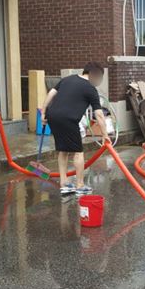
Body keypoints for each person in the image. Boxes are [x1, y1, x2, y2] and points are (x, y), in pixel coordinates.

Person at [42, 62, 109, 195]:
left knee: (63, 149)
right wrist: (105, 135)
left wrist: (43, 112)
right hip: (68, 119)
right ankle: (79, 185)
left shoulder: (67, 79)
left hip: (53, 116)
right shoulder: (90, 89)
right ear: (93, 75)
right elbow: (99, 115)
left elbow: (51, 93)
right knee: (78, 152)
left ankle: (64, 183)